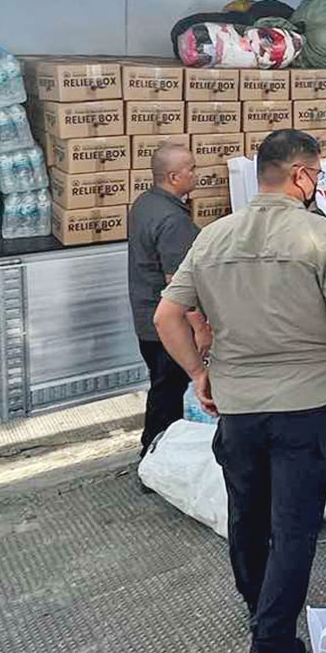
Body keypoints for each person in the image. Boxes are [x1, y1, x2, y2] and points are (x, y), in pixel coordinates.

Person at [153, 130, 326, 653]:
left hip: (240, 412)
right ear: (301, 176)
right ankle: (269, 652)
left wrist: (199, 373)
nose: (319, 185)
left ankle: (261, 611)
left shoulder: (213, 238)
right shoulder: (322, 236)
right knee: (294, 531)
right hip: (305, 411)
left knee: (248, 521)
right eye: (318, 176)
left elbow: (168, 315)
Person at [126, 142, 201, 456]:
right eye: (191, 169)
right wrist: (199, 328)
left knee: (163, 387)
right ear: (173, 177)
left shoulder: (144, 203)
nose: (197, 174)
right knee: (169, 394)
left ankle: (162, 453)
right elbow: (179, 287)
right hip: (168, 327)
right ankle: (155, 456)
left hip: (146, 320)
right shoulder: (173, 221)